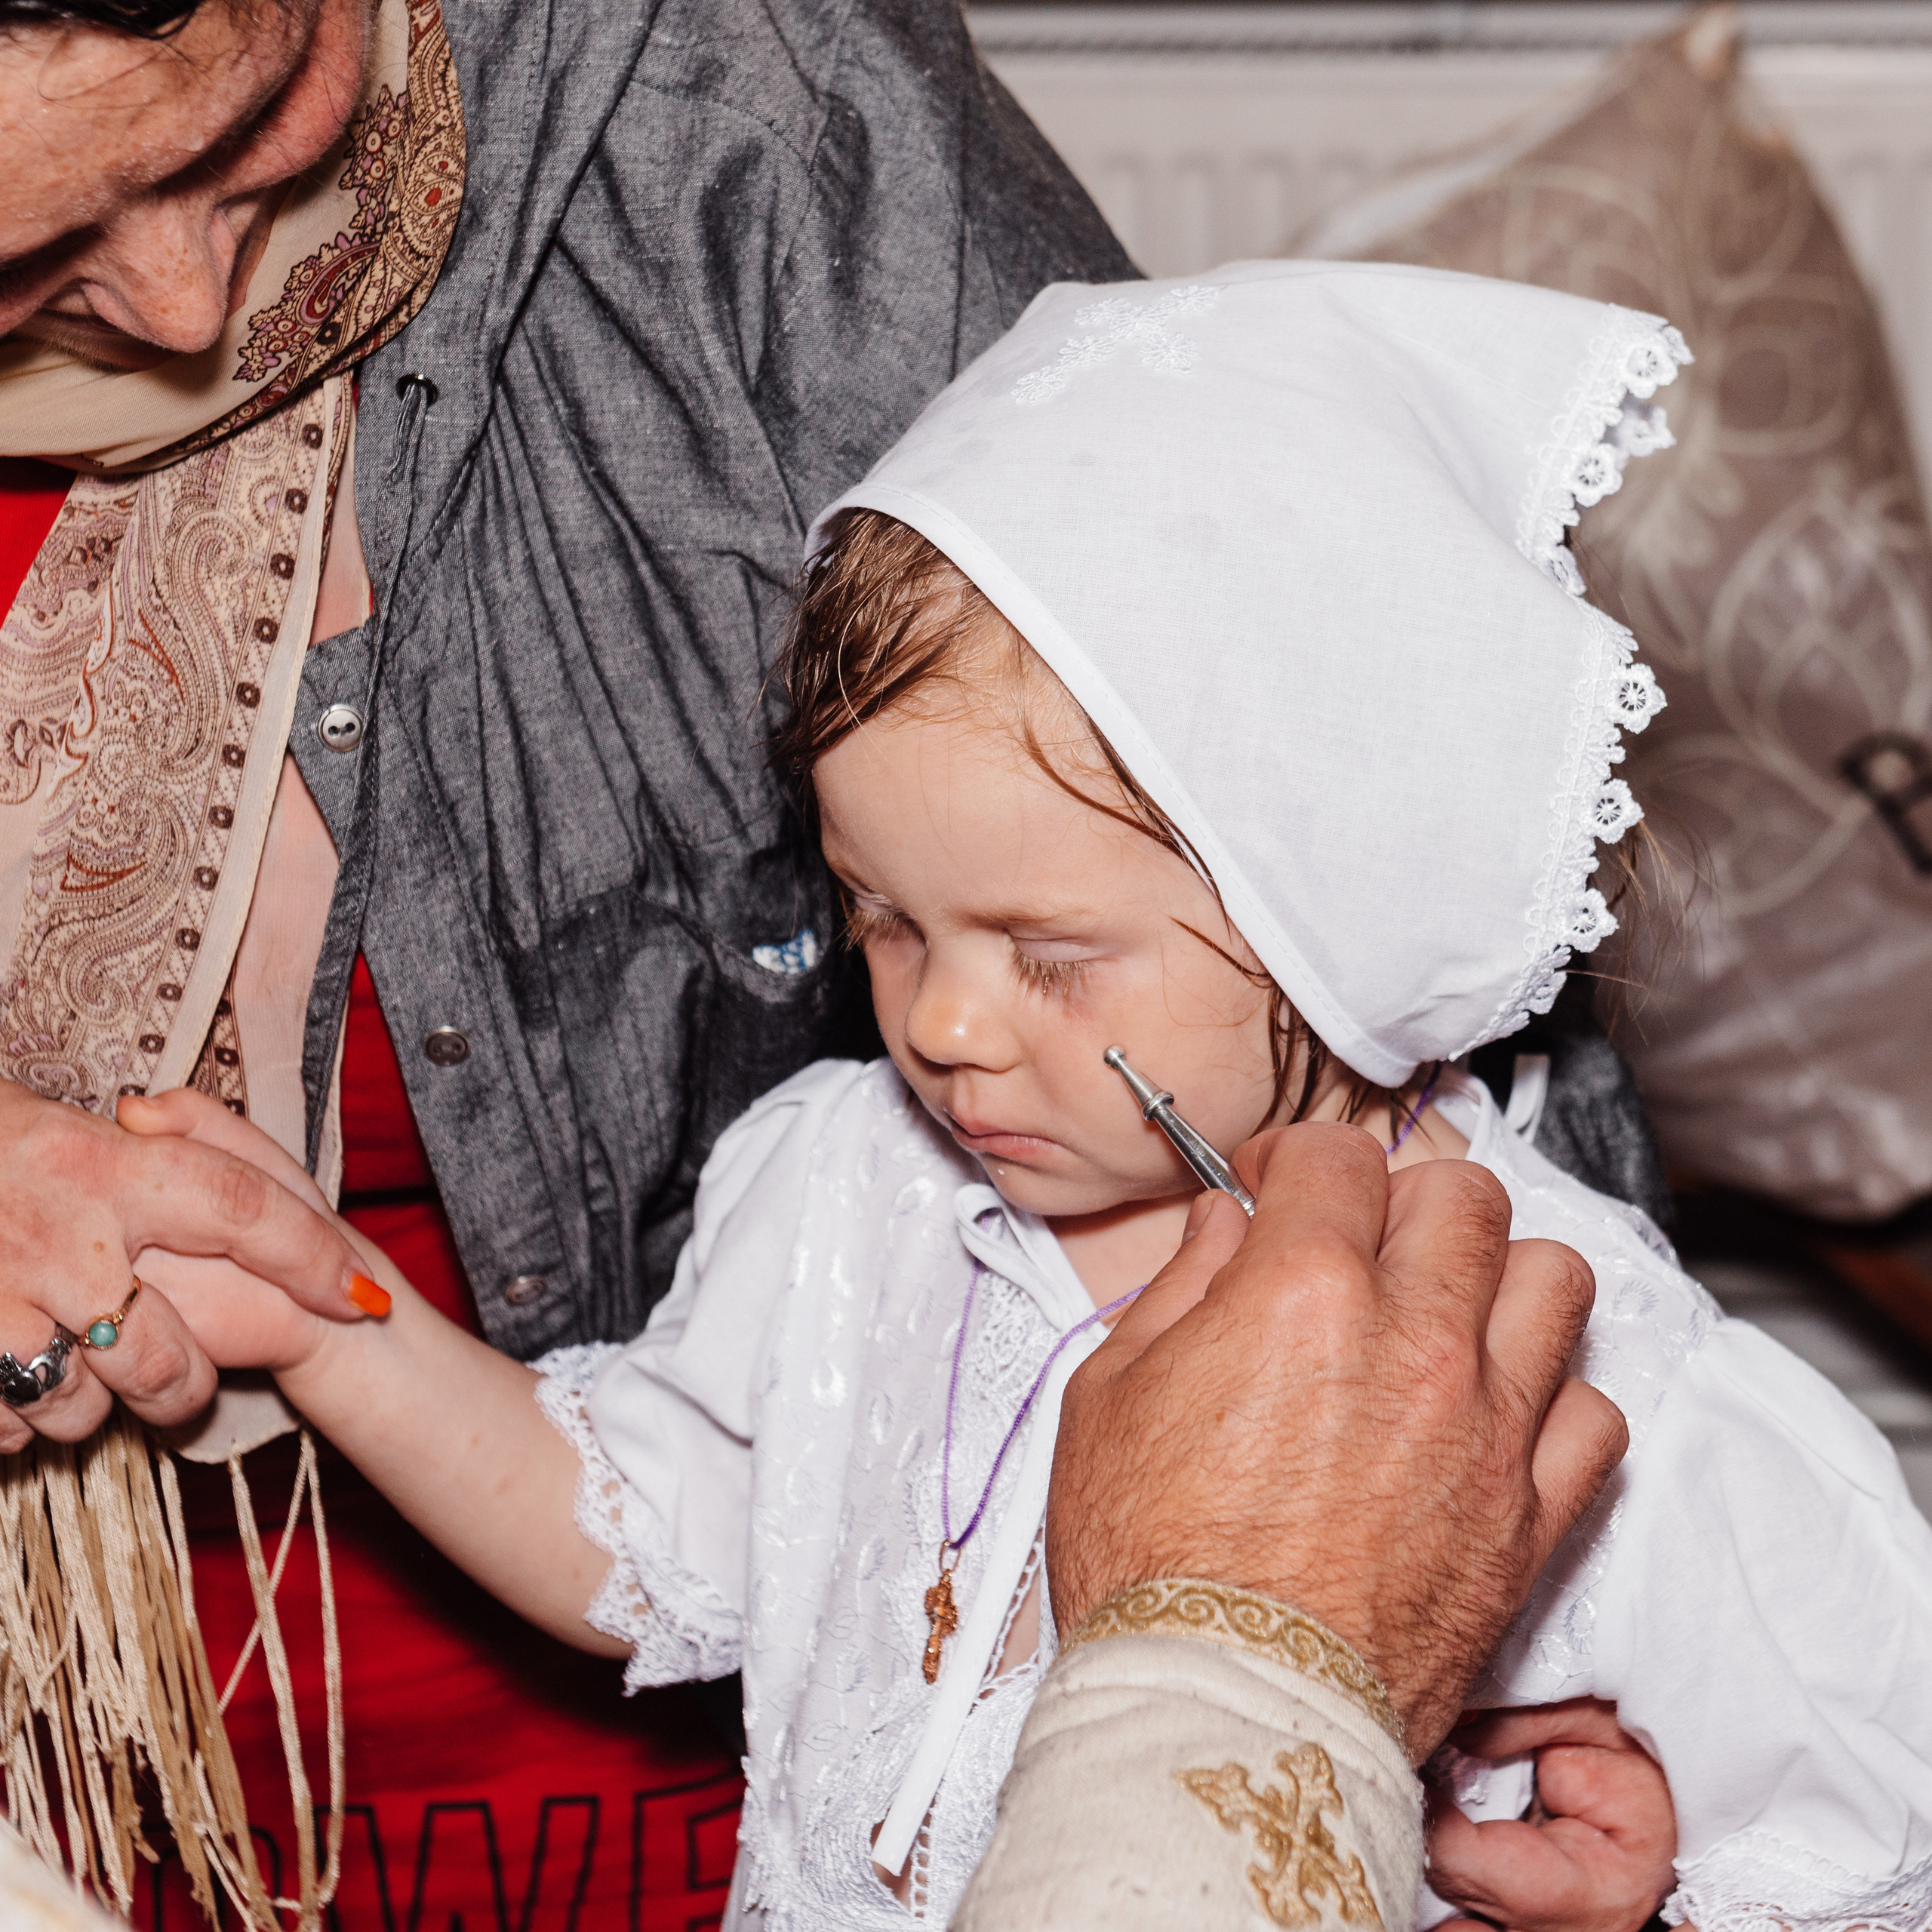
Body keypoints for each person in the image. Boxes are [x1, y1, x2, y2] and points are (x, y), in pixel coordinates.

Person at [128, 260, 1914, 1929]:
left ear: (1343, 904)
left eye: (1049, 954)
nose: (947, 1025)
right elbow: (654, 1539)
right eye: (880, 917)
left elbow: (1855, 1838)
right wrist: (327, 1318)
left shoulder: (1577, 1363)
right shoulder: (844, 1183)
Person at [0, 0, 1133, 1916]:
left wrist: (1521, 1667)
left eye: (256, 114)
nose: (190, 305)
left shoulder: (747, 107)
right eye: (26, 249)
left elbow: (1294, 912)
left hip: (742, 1741)